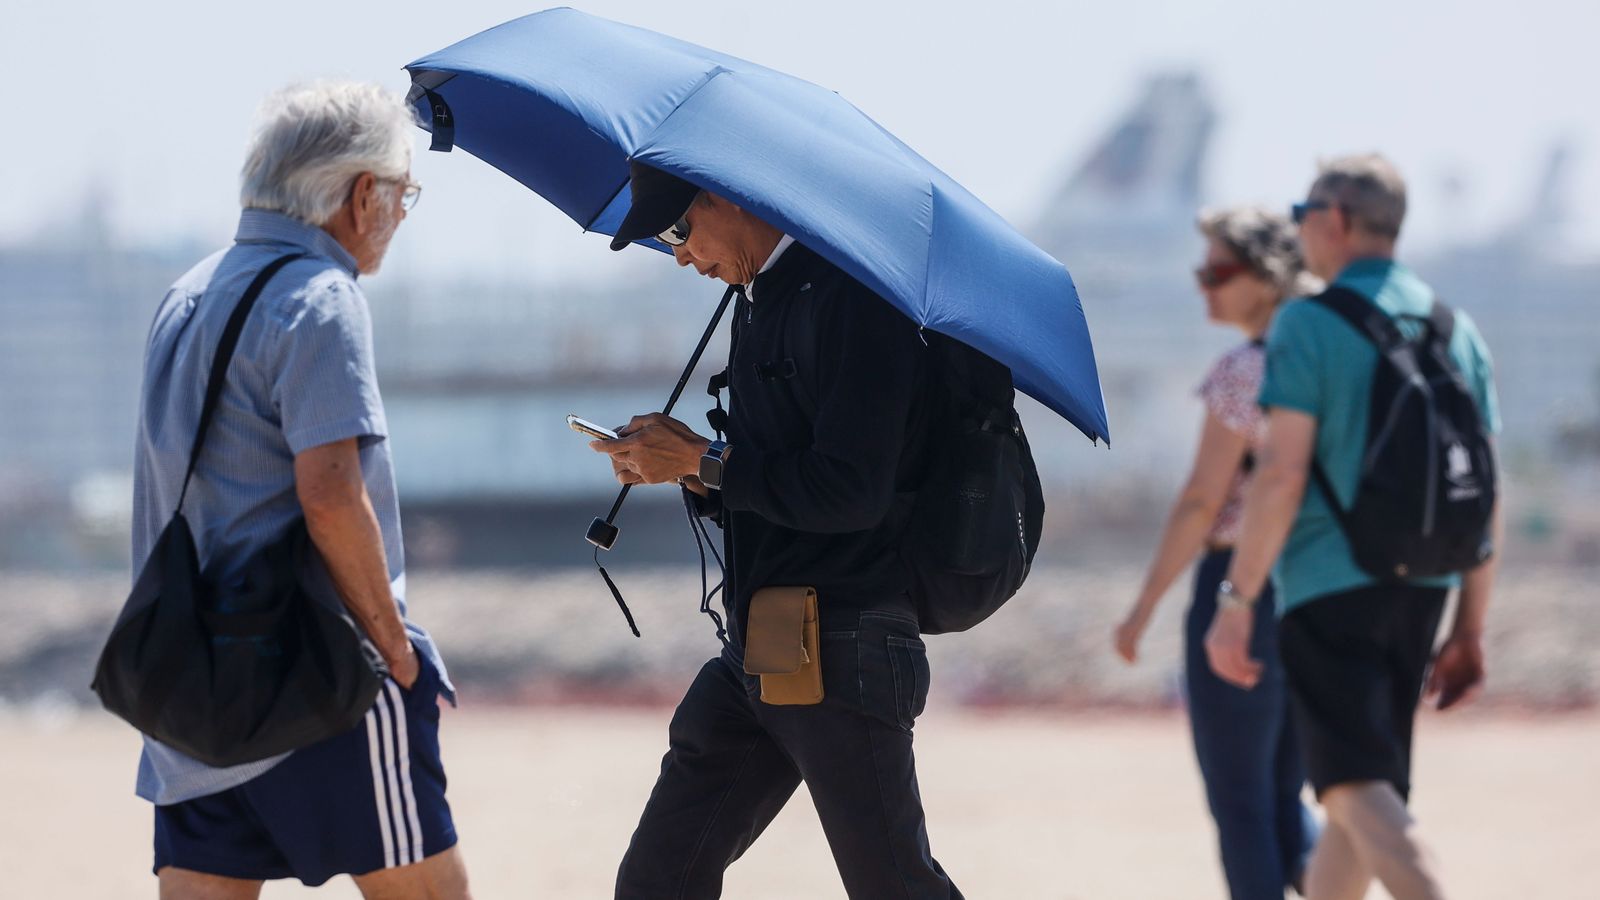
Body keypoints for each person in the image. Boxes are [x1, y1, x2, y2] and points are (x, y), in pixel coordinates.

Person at [131, 82, 471, 898]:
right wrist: (393, 650)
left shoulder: (184, 297)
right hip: (320, 675)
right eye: (402, 195)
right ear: (362, 196)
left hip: (191, 684)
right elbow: (329, 493)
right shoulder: (321, 298)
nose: (398, 214)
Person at [590, 162, 959, 899]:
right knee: (659, 879)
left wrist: (704, 458)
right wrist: (687, 467)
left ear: (725, 196)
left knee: (893, 884)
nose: (683, 257)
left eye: (679, 231)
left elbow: (851, 493)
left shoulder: (856, 299)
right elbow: (766, 475)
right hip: (762, 639)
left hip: (844, 638)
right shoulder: (758, 299)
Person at [1203, 154, 1501, 900]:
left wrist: (1236, 605)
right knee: (1353, 803)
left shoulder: (1310, 320)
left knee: (1348, 788)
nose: (1300, 224)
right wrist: (1471, 625)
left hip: (1331, 585)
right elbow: (1485, 488)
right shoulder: (1455, 328)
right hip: (1428, 582)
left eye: (1304, 210)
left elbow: (1281, 474)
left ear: (1334, 220)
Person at [1113, 207, 1321, 899]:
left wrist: (1142, 610)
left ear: (1267, 276)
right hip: (1319, 590)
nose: (1203, 286)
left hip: (1241, 589)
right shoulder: (1331, 361)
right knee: (1286, 796)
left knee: (1243, 805)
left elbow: (1202, 502)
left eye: (1218, 271)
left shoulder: (1244, 370)